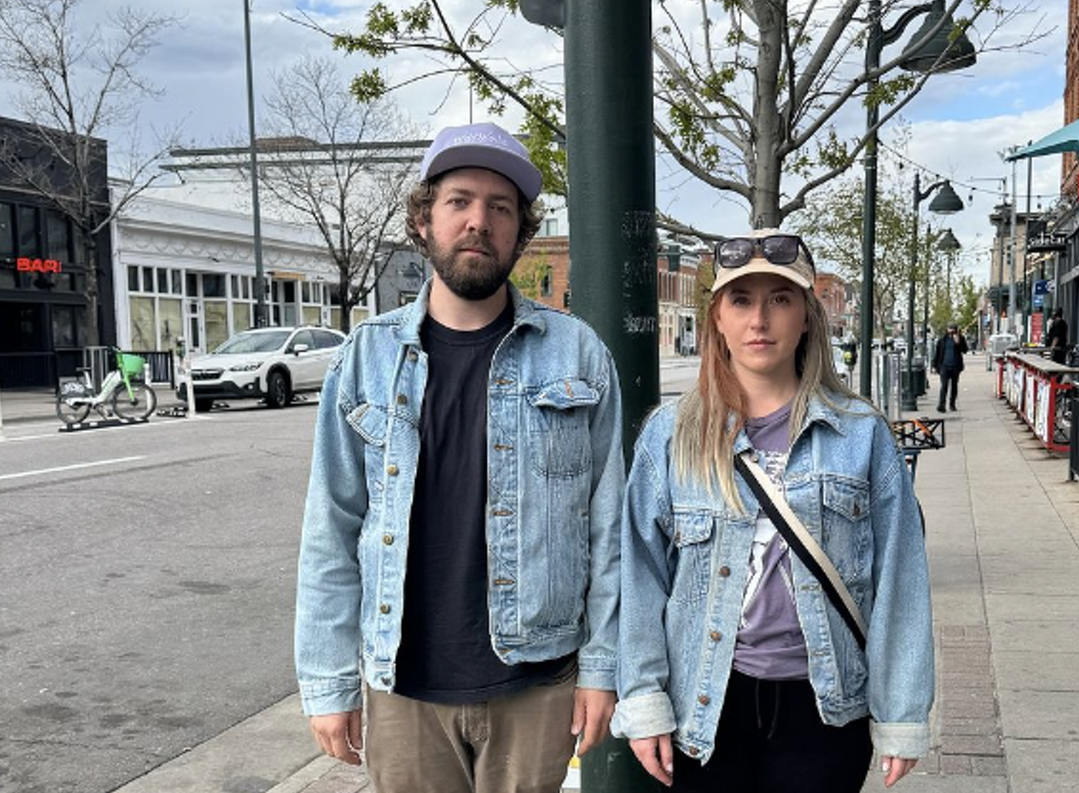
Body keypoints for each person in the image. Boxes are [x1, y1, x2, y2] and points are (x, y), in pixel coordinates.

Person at [294, 121, 624, 793]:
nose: (479, 221)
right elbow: (331, 527)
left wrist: (602, 667)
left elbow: (609, 526)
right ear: (424, 220)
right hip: (405, 688)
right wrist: (327, 680)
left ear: (520, 233)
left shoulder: (576, 352)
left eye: (500, 208)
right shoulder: (365, 357)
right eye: (460, 201)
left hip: (537, 681)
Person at [612, 229, 933, 792]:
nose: (759, 319)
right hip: (706, 700)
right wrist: (642, 698)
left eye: (780, 299)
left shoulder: (861, 434)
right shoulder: (670, 436)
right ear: (717, 318)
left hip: (826, 704)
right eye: (741, 300)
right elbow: (640, 576)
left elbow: (901, 579)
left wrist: (901, 711)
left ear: (807, 317)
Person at [932, 323, 968, 413]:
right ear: (947, 329)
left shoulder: (960, 338)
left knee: (954, 386)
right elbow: (937, 353)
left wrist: (958, 342)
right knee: (944, 385)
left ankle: (952, 404)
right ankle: (941, 405)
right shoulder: (942, 340)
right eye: (950, 329)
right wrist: (934, 366)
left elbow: (965, 350)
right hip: (944, 366)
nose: (951, 331)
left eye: (953, 329)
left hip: (955, 366)